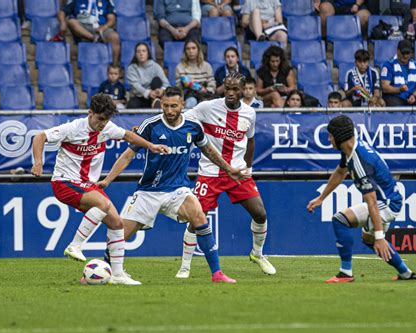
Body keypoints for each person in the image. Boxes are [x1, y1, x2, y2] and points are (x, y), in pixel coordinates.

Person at [100, 86, 245, 284]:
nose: (169, 110)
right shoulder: (150, 126)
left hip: (178, 189)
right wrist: (108, 179)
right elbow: (127, 156)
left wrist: (228, 169)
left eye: (174, 106)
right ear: (161, 104)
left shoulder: (193, 126)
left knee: (199, 215)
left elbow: (209, 151)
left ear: (183, 105)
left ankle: (217, 273)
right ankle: (100, 271)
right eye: (165, 106)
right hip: (148, 191)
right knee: (119, 237)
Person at [31, 94, 168, 285]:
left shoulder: (108, 128)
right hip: (65, 182)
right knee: (103, 204)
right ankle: (75, 246)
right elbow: (40, 137)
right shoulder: (73, 128)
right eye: (100, 119)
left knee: (117, 224)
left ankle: (118, 274)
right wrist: (38, 162)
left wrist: (150, 146)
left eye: (107, 120)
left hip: (88, 185)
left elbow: (128, 135)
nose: (103, 124)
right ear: (90, 113)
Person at [175, 73, 276, 279]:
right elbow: (182, 119)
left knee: (260, 213)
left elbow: (251, 141)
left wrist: (248, 168)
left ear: (243, 90)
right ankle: (185, 266)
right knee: (195, 219)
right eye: (227, 88)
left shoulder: (249, 113)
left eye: (235, 89)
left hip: (237, 173)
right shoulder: (207, 107)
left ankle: (257, 254)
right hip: (209, 173)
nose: (230, 93)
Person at [307, 115, 416, 283]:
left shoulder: (359, 161)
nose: (329, 139)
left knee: (371, 237)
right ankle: (405, 273)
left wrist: (380, 237)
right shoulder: (351, 150)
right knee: (346, 224)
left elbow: (372, 201)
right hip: (385, 199)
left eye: (330, 135)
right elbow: (340, 172)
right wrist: (321, 198)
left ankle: (346, 273)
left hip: (387, 203)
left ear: (339, 137)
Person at [381, 39, 416, 106]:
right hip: (395, 97)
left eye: (407, 53)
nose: (405, 56)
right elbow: (385, 88)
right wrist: (399, 89)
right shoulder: (388, 65)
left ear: (411, 52)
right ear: (397, 51)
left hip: (411, 96)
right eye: (403, 53)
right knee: (394, 104)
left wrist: (413, 96)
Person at [127, 43, 170, 109]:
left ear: (148, 53)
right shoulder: (131, 68)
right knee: (131, 105)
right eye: (138, 51)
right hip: (139, 96)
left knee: (156, 80)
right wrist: (148, 93)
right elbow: (135, 86)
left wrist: (161, 90)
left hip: (156, 95)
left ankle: (155, 101)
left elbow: (166, 84)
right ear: (135, 54)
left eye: (144, 51)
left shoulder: (155, 66)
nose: (141, 53)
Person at [175, 39, 216, 108]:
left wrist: (206, 90)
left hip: (205, 94)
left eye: (193, 48)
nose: (191, 51)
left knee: (206, 104)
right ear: (185, 51)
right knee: (191, 102)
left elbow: (212, 84)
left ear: (198, 50)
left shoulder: (207, 66)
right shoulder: (180, 67)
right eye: (188, 49)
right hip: (188, 95)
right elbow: (178, 88)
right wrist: (188, 85)